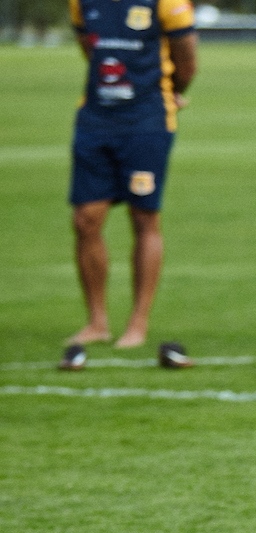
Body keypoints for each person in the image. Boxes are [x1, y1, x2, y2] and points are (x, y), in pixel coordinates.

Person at [65, 0, 198, 351]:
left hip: (148, 121)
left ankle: (138, 322)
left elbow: (187, 62)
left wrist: (175, 93)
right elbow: (88, 47)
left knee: (144, 218)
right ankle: (97, 323)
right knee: (85, 220)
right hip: (95, 118)